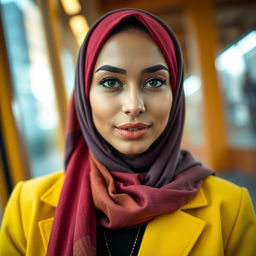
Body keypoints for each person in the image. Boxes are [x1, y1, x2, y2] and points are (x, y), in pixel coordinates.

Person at [0, 8, 255, 256]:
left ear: (175, 95)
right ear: (84, 97)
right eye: (110, 82)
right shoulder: (27, 206)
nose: (134, 106)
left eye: (154, 82)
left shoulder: (230, 207)